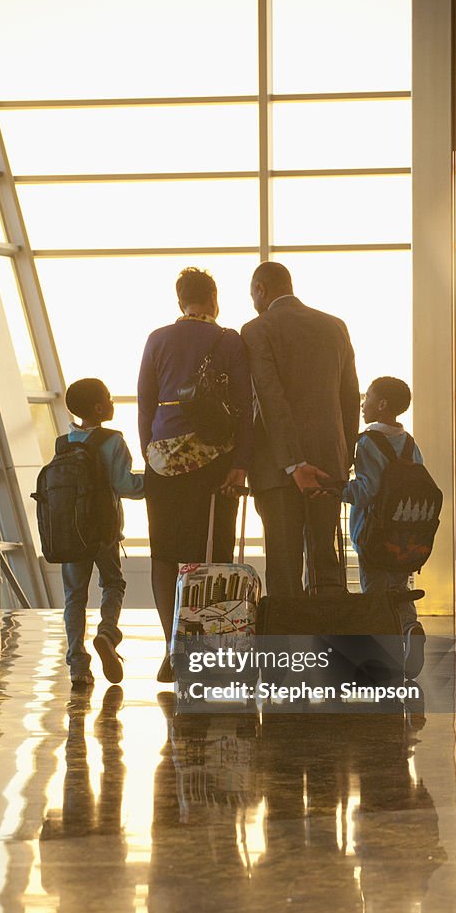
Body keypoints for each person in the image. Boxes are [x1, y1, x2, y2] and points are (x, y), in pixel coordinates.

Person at [137, 268, 253, 679]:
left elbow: (145, 406)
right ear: (214, 298)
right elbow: (244, 407)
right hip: (215, 462)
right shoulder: (229, 340)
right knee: (209, 555)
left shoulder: (157, 339)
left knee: (164, 556)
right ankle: (206, 648)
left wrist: (151, 453)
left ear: (179, 299)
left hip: (162, 462)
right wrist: (240, 464)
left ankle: (172, 648)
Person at [241, 262, 360, 597]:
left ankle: (288, 646)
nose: (253, 301)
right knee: (325, 561)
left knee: (283, 564)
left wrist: (294, 463)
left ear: (261, 289)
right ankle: (328, 642)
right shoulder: (335, 327)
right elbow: (350, 398)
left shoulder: (256, 330)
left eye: (252, 294)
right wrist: (341, 456)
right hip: (327, 464)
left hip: (277, 472)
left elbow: (270, 398)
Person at [62, 378, 144, 687]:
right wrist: (157, 483)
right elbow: (125, 486)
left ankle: (78, 665)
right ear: (99, 407)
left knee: (74, 597)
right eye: (108, 398)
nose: (112, 403)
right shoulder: (112, 440)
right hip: (103, 532)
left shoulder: (64, 442)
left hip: (71, 533)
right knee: (113, 583)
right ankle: (107, 633)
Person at [343, 376, 426, 675]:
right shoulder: (409, 442)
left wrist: (337, 489)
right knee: (400, 588)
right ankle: (410, 627)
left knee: (376, 595)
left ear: (381, 405)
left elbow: (367, 491)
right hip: (406, 535)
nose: (363, 405)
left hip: (373, 536)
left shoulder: (367, 442)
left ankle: (383, 660)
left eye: (367, 399)